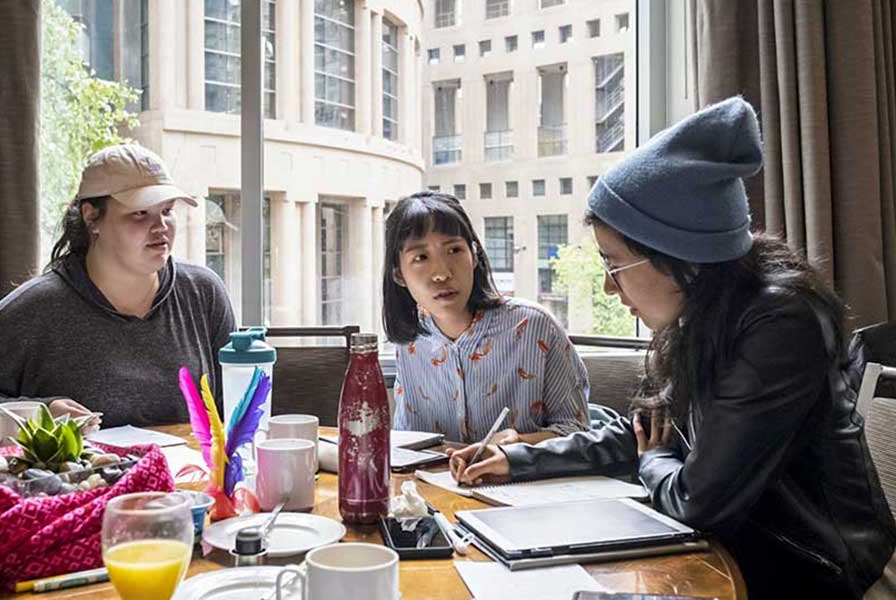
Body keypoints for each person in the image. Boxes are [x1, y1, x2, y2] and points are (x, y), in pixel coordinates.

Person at [448, 97, 896, 598]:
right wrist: (519, 462)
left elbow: (695, 500)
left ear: (677, 253)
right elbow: (646, 431)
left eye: (613, 264)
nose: (608, 288)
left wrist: (656, 459)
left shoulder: (780, 324)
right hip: (738, 555)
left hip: (823, 576)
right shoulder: (697, 315)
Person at [0, 144, 236, 438]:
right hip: (81, 487)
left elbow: (235, 409)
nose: (161, 227)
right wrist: (39, 415)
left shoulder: (203, 292)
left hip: (188, 488)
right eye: (140, 213)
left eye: (167, 211)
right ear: (92, 217)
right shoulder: (37, 306)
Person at [382, 191, 590, 445]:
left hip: (523, 482)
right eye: (421, 257)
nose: (441, 273)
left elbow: (580, 434)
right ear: (399, 274)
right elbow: (407, 440)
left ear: (474, 255)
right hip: (433, 483)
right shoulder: (409, 342)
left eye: (454, 250)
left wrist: (522, 442)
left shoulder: (535, 327)